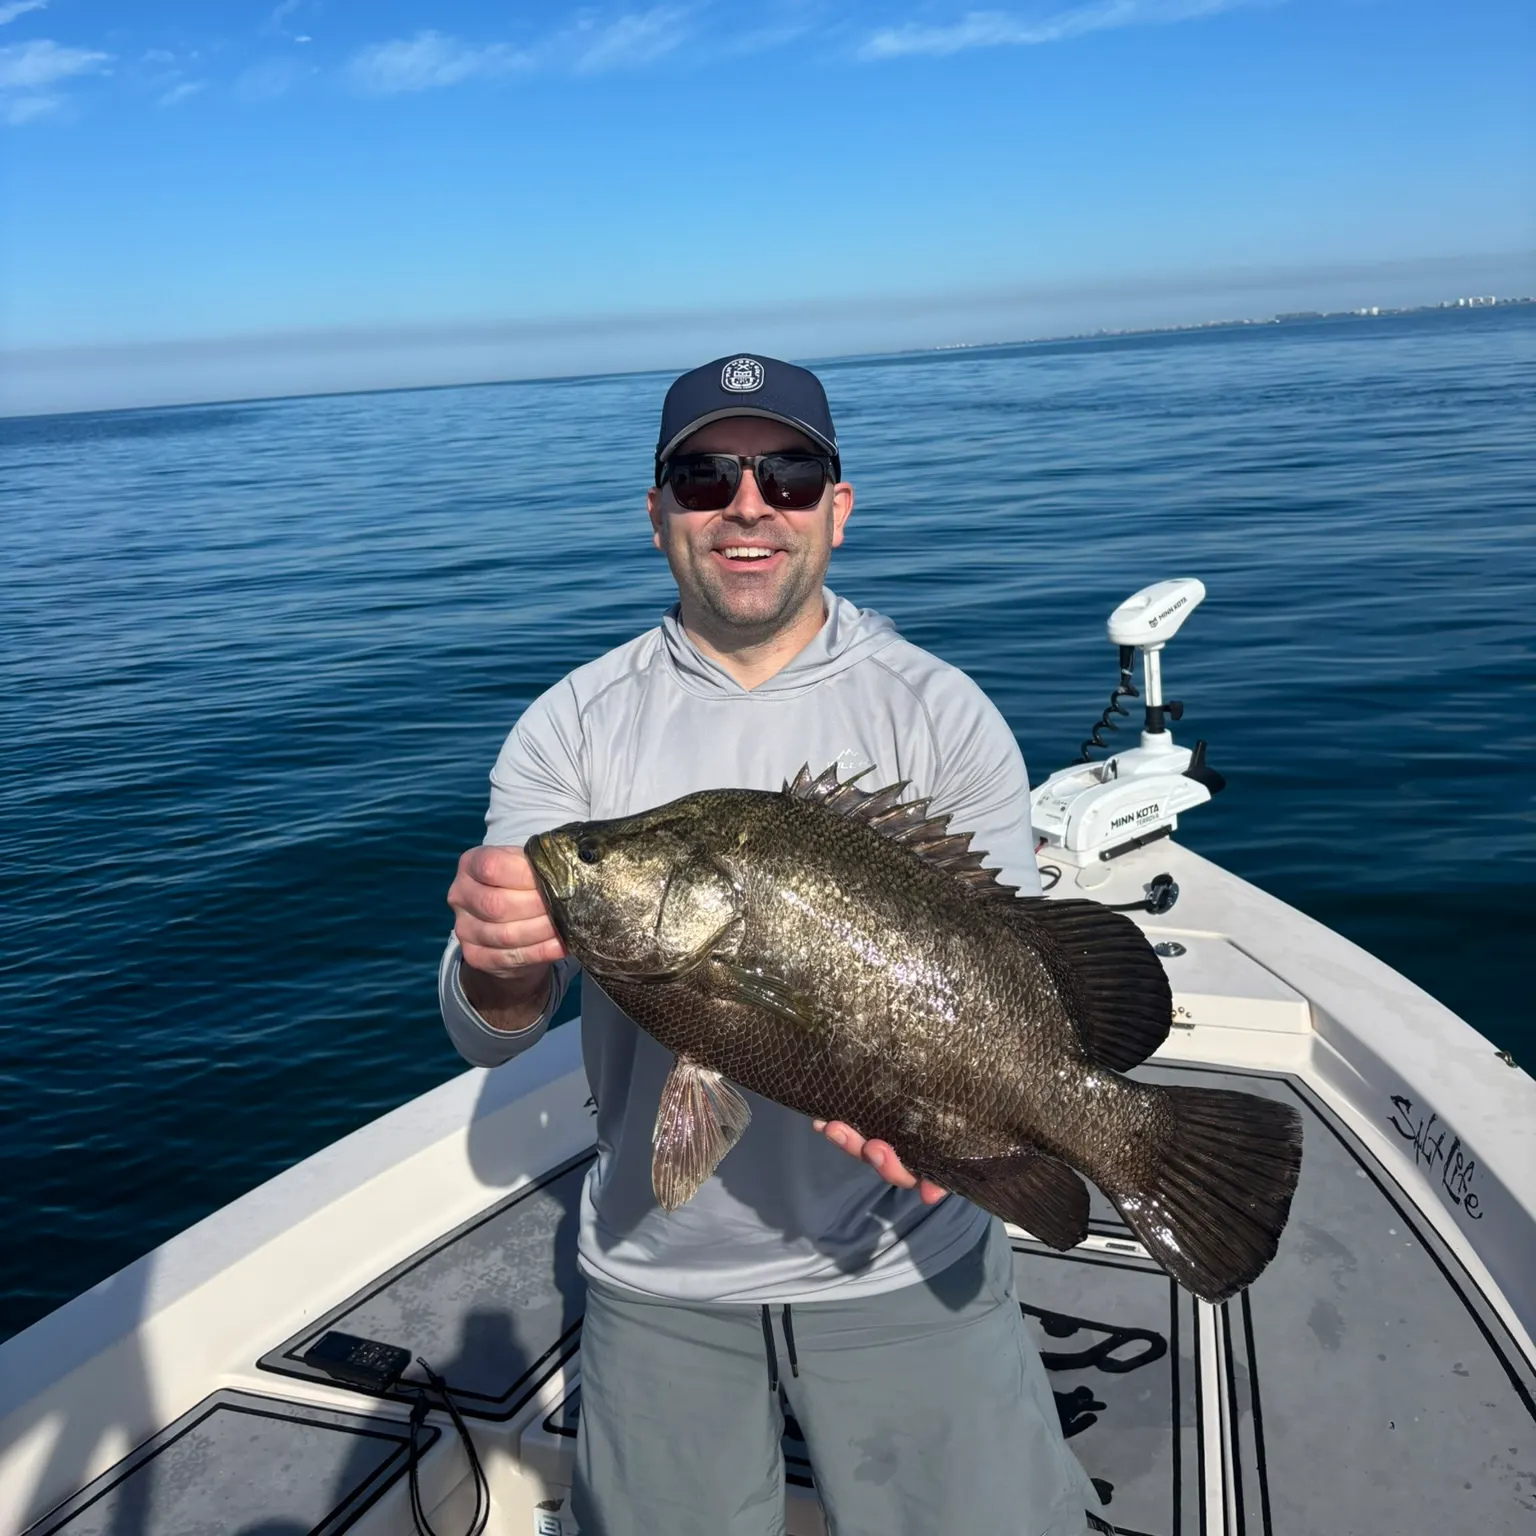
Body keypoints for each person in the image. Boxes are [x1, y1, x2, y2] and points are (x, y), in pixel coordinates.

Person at [441, 354, 1107, 1536]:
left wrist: (981, 1126)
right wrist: (494, 966)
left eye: (789, 473)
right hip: (658, 1275)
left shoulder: (940, 713)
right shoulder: (570, 729)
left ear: (837, 510)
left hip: (913, 1258)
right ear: (657, 516)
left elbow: (1013, 968)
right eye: (704, 475)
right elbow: (494, 1028)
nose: (748, 504)